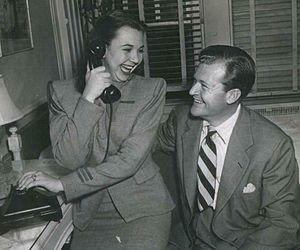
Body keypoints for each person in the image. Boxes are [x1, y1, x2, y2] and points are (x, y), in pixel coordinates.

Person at [17, 11, 174, 250]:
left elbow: (130, 161)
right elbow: (69, 158)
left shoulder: (151, 90)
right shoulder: (62, 93)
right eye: (127, 49)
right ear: (100, 49)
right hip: (90, 214)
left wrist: (63, 185)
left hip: (143, 208)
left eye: (140, 50)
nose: (135, 59)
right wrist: (88, 98)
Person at [155, 45, 300, 249]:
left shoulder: (274, 146)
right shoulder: (182, 120)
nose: (191, 91)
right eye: (195, 81)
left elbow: (282, 225)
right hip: (187, 237)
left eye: (203, 86)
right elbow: (148, 144)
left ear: (231, 96)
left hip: (243, 243)